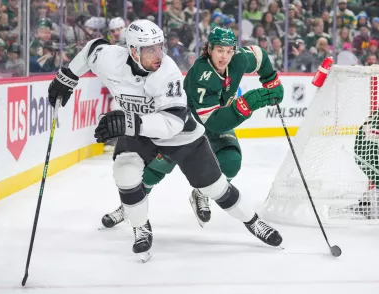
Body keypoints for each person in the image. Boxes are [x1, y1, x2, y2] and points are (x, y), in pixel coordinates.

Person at [47, 20, 283, 261]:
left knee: (216, 188)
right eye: (150, 50)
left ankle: (253, 222)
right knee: (124, 172)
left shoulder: (167, 71)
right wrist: (67, 77)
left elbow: (172, 123)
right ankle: (141, 227)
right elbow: (91, 50)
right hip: (141, 129)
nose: (157, 55)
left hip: (180, 134)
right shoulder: (110, 59)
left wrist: (129, 123)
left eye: (159, 47)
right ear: (132, 51)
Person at [102, 27, 285, 231]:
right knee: (154, 170)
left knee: (231, 161)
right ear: (209, 50)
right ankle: (128, 208)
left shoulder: (239, 59)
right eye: (219, 51)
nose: (224, 57)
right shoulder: (201, 74)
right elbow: (214, 122)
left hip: (218, 118)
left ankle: (201, 193)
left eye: (228, 51)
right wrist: (251, 102)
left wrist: (271, 80)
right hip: (185, 127)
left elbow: (259, 56)